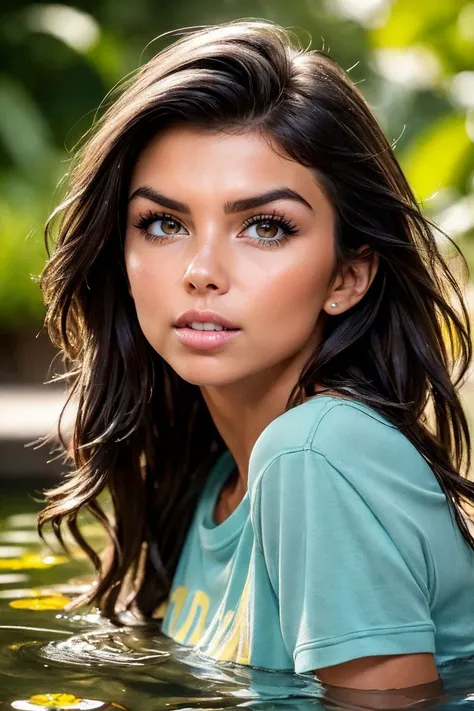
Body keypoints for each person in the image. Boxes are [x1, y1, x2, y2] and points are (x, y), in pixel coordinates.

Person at [37, 18, 474, 703]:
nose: (202, 270)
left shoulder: (314, 453)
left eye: (265, 226)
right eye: (163, 223)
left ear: (347, 276)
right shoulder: (217, 475)